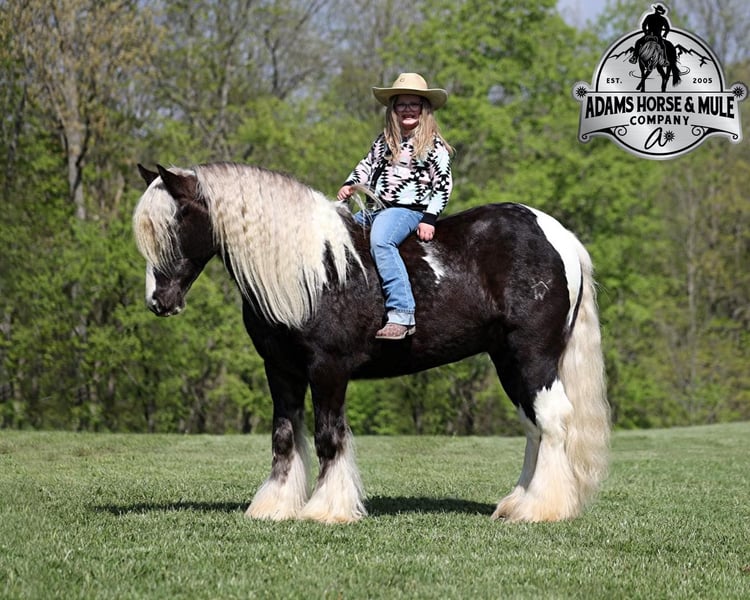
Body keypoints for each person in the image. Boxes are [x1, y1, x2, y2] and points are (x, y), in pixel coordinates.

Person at [337, 72, 454, 340]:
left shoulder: (434, 146)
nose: (408, 109)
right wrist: (351, 183)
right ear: (393, 110)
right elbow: (366, 166)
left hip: (406, 209)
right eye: (402, 104)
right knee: (339, 231)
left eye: (414, 104)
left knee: (381, 241)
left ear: (424, 109)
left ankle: (402, 312)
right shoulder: (385, 141)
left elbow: (443, 185)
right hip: (375, 207)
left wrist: (429, 217)